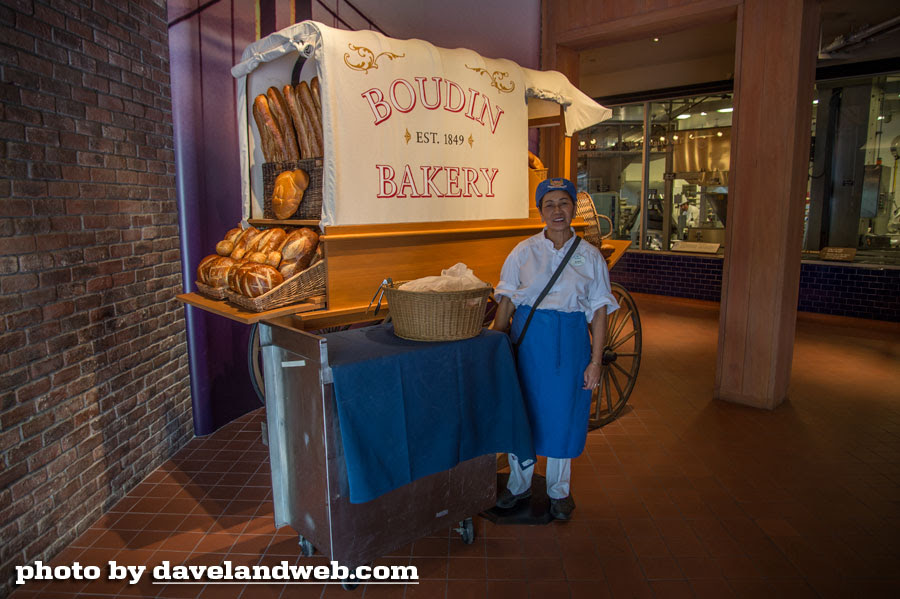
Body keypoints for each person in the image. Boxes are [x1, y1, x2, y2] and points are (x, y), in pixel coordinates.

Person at [490, 177, 619, 520]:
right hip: (529, 345)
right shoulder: (523, 252)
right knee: (523, 413)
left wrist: (595, 361)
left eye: (563, 203)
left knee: (565, 416)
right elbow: (506, 303)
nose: (557, 210)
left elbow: (600, 312)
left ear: (573, 208)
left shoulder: (590, 257)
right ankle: (518, 485)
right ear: (540, 211)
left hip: (572, 345)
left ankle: (558, 492)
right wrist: (493, 348)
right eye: (549, 204)